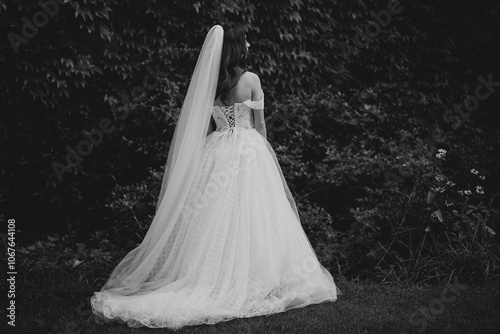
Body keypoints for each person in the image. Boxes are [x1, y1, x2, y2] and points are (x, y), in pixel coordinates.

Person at [91, 24, 339, 330]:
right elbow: (260, 126)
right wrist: (266, 157)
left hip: (217, 150)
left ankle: (211, 275)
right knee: (255, 214)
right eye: (246, 39)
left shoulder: (212, 83)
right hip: (248, 148)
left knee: (215, 216)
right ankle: (257, 277)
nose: (250, 43)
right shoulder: (251, 79)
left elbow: (204, 126)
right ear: (237, 46)